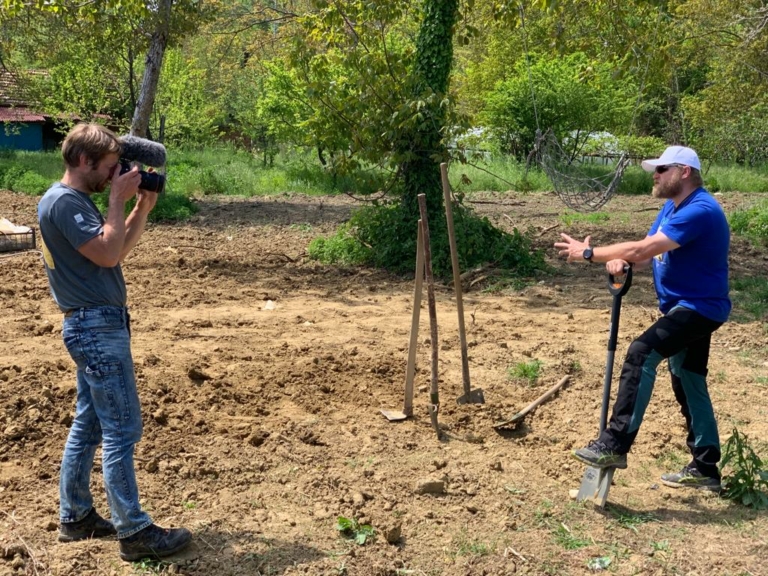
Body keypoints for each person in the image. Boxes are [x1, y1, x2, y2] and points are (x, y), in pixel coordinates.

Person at [38, 123, 192, 560]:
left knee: (88, 424)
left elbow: (114, 250)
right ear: (84, 161)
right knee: (122, 428)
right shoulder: (66, 203)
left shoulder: (71, 202)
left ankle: (76, 515)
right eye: (108, 168)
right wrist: (116, 200)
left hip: (95, 325)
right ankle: (134, 531)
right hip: (96, 328)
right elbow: (107, 253)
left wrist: (140, 208)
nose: (113, 175)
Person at [554, 145, 730, 492]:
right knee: (688, 377)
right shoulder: (672, 207)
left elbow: (641, 249)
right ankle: (706, 468)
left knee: (642, 352)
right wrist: (620, 262)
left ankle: (614, 444)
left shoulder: (700, 209)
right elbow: (647, 251)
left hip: (698, 307)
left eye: (662, 169)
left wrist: (588, 253)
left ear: (684, 172)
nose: (655, 175)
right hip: (685, 305)